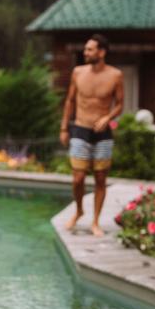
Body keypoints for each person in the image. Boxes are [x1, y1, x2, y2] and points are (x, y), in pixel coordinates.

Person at [59, 34, 124, 237]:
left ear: (101, 52)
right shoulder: (78, 72)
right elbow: (70, 101)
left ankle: (95, 221)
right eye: (86, 49)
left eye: (90, 49)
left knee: (100, 178)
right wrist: (63, 127)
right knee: (78, 178)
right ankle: (79, 210)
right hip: (80, 129)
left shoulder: (115, 75)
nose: (85, 52)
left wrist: (108, 117)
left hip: (102, 133)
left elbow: (120, 104)